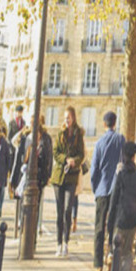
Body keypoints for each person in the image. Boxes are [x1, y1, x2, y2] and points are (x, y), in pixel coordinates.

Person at [89, 111, 125, 271]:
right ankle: (111, 255)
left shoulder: (99, 143)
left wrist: (95, 188)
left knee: (99, 227)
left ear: (104, 124)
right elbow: (124, 162)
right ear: (115, 123)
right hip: (116, 189)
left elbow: (94, 169)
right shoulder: (120, 140)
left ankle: (98, 265)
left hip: (102, 189)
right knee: (113, 227)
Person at [107, 141, 136, 271]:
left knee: (117, 251)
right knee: (128, 251)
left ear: (124, 155)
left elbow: (114, 199)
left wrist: (109, 223)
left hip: (121, 218)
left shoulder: (121, 175)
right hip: (133, 217)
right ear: (134, 156)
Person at [50, 106, 85, 257]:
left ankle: (65, 242)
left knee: (67, 210)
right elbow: (55, 152)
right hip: (59, 177)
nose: (67, 120)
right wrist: (65, 159)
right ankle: (58, 243)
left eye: (69, 118)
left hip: (71, 177)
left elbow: (81, 154)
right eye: (65, 118)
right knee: (59, 212)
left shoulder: (79, 134)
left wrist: (74, 161)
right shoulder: (60, 134)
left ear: (73, 118)